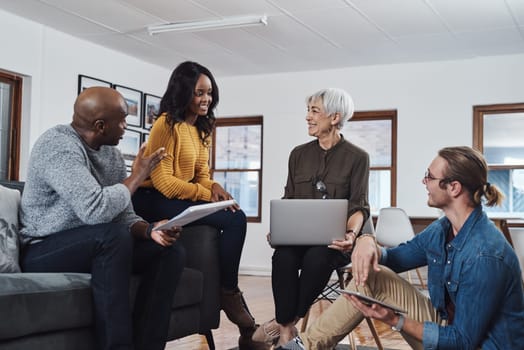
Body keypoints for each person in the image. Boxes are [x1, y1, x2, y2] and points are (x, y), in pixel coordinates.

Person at [300, 146, 524, 349]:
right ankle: (304, 346)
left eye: (430, 177)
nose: (424, 182)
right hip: (449, 326)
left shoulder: (485, 255)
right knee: (374, 277)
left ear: (454, 187)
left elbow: (462, 341)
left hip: (477, 344)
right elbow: (393, 259)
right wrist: (367, 241)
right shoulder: (442, 229)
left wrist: (394, 320)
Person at [18, 87, 185, 350]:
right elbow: (94, 209)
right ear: (100, 125)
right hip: (42, 250)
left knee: (168, 251)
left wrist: (149, 230)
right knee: (112, 237)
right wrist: (137, 176)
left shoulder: (111, 154)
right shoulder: (57, 146)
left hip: (94, 245)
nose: (126, 127)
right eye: (121, 120)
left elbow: (123, 215)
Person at [131, 61, 265, 349]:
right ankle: (229, 295)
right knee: (229, 217)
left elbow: (201, 174)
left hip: (178, 196)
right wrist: (206, 196)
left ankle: (228, 291)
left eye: (210, 92)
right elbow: (165, 182)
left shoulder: (203, 127)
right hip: (151, 200)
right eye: (199, 93)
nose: (207, 99)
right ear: (183, 93)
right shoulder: (166, 124)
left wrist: (215, 188)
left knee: (235, 216)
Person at [253, 88, 370, 349]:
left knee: (318, 257)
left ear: (335, 117)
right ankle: (287, 330)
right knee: (282, 256)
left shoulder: (358, 158)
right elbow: (289, 198)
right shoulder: (298, 154)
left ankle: (280, 325)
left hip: (334, 244)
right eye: (308, 111)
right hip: (298, 238)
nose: (308, 117)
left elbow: (359, 207)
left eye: (314, 111)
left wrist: (350, 236)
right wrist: (279, 228)